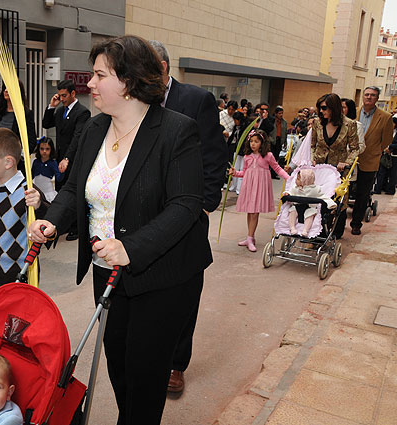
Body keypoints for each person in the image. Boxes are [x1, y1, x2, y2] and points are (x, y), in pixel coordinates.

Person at [29, 35, 212, 425]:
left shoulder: (176, 132)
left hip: (162, 273)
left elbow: (185, 206)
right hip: (106, 270)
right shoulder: (95, 129)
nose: (89, 84)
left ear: (128, 82)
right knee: (118, 362)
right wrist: (53, 220)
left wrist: (132, 247)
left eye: (99, 75)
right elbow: (76, 186)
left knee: (146, 374)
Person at [148, 39, 227, 394]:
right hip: (148, 217)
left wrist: (205, 203)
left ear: (164, 68)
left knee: (184, 291)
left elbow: (213, 154)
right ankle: (151, 355)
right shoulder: (139, 102)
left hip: (189, 213)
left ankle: (177, 364)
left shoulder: (196, 100)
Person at [0, 128, 49, 292]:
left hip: (22, 274)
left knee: (21, 317)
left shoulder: (28, 192)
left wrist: (39, 205)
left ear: (8, 162)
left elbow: (50, 221)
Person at [42, 79, 91, 241]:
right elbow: (46, 123)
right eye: (60, 95)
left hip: (74, 158)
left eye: (64, 96)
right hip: (61, 158)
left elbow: (77, 138)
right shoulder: (60, 111)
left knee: (74, 193)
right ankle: (65, 225)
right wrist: (51, 106)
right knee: (62, 191)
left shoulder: (82, 112)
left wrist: (67, 158)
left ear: (73, 94)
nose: (62, 99)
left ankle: (76, 228)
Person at [229, 129, 290, 252]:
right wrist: (235, 173)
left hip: (260, 187)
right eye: (251, 141)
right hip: (249, 186)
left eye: (256, 141)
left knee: (255, 212)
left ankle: (250, 237)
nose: (253, 144)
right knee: (250, 212)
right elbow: (245, 172)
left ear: (262, 143)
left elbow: (277, 169)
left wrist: (289, 178)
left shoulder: (268, 155)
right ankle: (250, 237)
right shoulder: (247, 156)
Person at [311, 93, 360, 238]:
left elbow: (355, 148)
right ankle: (317, 232)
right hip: (319, 169)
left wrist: (347, 162)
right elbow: (312, 144)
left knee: (338, 201)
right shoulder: (317, 123)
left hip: (339, 170)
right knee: (318, 199)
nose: (321, 111)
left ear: (334, 107)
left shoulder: (349, 124)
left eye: (324, 108)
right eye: (320, 108)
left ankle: (336, 232)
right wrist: (313, 158)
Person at [351, 86, 394, 234]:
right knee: (343, 192)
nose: (369, 97)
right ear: (363, 96)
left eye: (373, 95)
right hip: (349, 159)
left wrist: (375, 150)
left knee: (363, 194)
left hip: (370, 160)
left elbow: (387, 139)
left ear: (377, 98)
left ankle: (356, 224)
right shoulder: (353, 113)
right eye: (367, 94)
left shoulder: (385, 117)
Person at [284, 169, 336, 236]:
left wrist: (331, 204)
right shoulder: (295, 188)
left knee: (310, 214)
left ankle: (305, 230)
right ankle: (292, 228)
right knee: (292, 212)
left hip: (309, 207)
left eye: (298, 179)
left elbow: (324, 197)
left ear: (305, 180)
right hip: (297, 206)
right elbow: (290, 192)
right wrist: (287, 193)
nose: (295, 180)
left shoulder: (315, 189)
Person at [0, 81, 37, 154]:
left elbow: (31, 140)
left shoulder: (25, 113)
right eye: (5, 88)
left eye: (9, 88)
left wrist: (20, 155)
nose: (6, 90)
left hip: (15, 157)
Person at [31, 137, 63, 202]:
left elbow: (59, 178)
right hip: (37, 193)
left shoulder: (53, 163)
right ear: (38, 149)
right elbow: (30, 176)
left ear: (51, 150)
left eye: (47, 149)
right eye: (42, 149)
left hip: (49, 194)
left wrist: (62, 171)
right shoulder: (36, 162)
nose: (44, 151)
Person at [374, 115, 397, 194]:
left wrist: (390, 147)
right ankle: (378, 189)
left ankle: (390, 190)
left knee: (392, 174)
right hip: (385, 155)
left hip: (394, 156)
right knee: (381, 172)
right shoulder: (387, 131)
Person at [268, 106, 287, 178]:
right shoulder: (272, 121)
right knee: (270, 157)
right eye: (279, 113)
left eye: (282, 113)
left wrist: (285, 142)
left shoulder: (284, 122)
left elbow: (285, 132)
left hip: (279, 141)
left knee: (276, 158)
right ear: (276, 114)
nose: (281, 115)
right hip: (272, 140)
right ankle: (268, 172)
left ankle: (273, 173)